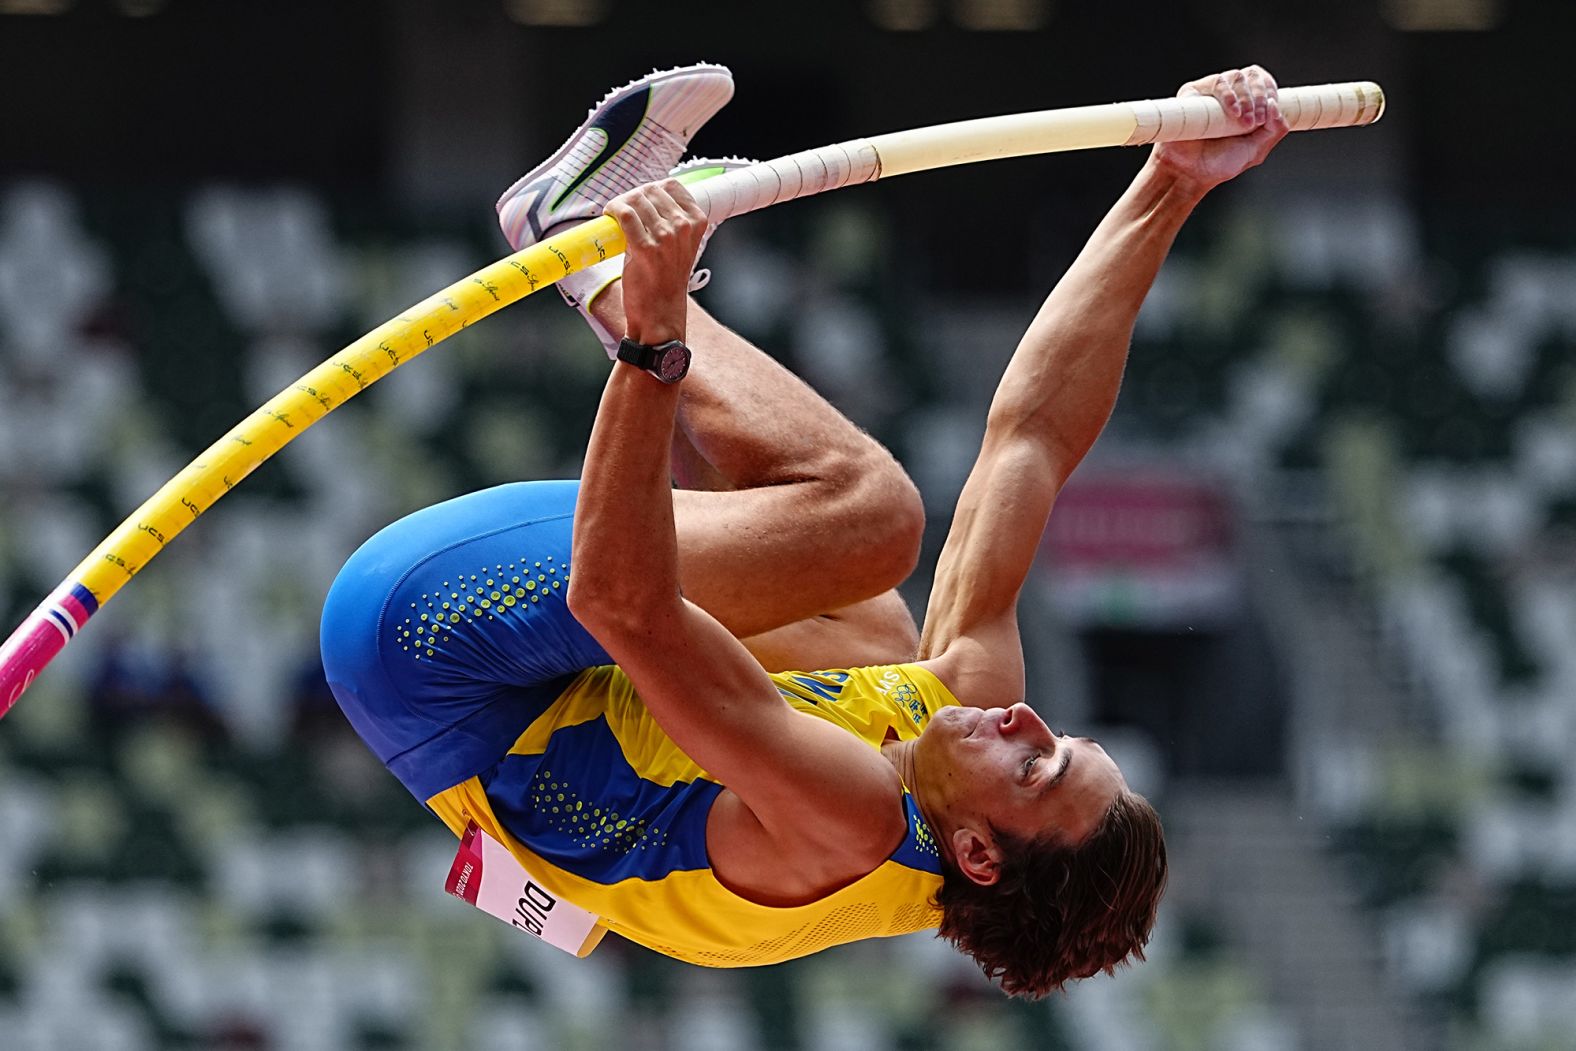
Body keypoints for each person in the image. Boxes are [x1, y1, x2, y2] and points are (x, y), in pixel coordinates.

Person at [321, 61, 1290, 995]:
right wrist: (1170, 182)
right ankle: (599, 254)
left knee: (869, 525)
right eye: (1061, 736)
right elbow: (1027, 442)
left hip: (432, 649)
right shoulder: (964, 741)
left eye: (1035, 765)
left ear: (979, 852)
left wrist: (652, 337)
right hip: (546, 697)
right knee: (872, 628)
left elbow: (617, 598)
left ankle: (585, 246)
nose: (1025, 718)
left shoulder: (848, 822)